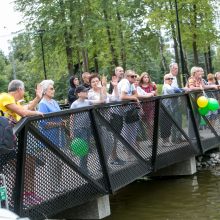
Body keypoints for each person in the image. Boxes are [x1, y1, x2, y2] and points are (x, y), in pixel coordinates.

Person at [0, 79, 44, 206]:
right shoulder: (4, 97)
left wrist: (37, 98)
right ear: (19, 89)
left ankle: (15, 200)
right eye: (23, 90)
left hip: (6, 145)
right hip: (2, 144)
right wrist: (37, 112)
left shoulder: (11, 104)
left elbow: (24, 110)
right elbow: (24, 112)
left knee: (21, 166)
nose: (24, 92)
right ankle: (5, 205)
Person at [38, 79, 66, 193]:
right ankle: (53, 188)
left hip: (59, 136)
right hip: (50, 138)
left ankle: (58, 185)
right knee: (52, 163)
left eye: (53, 88)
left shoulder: (54, 102)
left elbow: (59, 115)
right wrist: (58, 123)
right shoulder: (42, 104)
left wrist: (62, 121)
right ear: (44, 91)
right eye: (51, 88)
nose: (53, 90)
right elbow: (43, 123)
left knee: (59, 163)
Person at [117, 70, 140, 160]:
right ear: (126, 77)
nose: (134, 78)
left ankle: (131, 152)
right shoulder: (125, 82)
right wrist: (133, 98)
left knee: (132, 130)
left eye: (135, 76)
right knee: (127, 132)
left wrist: (133, 97)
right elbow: (122, 97)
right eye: (132, 76)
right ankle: (128, 154)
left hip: (129, 110)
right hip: (121, 111)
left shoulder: (131, 83)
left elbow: (136, 94)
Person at [70, 85, 92, 173]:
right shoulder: (75, 104)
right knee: (83, 149)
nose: (86, 93)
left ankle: (84, 167)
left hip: (87, 128)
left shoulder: (88, 102)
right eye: (84, 91)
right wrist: (71, 131)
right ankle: (83, 168)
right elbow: (72, 118)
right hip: (79, 129)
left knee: (86, 148)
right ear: (79, 94)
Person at [161, 74, 183, 146]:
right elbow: (171, 91)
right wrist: (179, 90)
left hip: (170, 108)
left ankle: (170, 140)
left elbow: (177, 89)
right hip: (165, 108)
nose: (170, 80)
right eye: (168, 78)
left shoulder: (171, 86)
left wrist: (180, 89)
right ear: (165, 80)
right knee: (166, 124)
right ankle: (165, 142)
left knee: (170, 123)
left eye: (171, 78)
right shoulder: (166, 86)